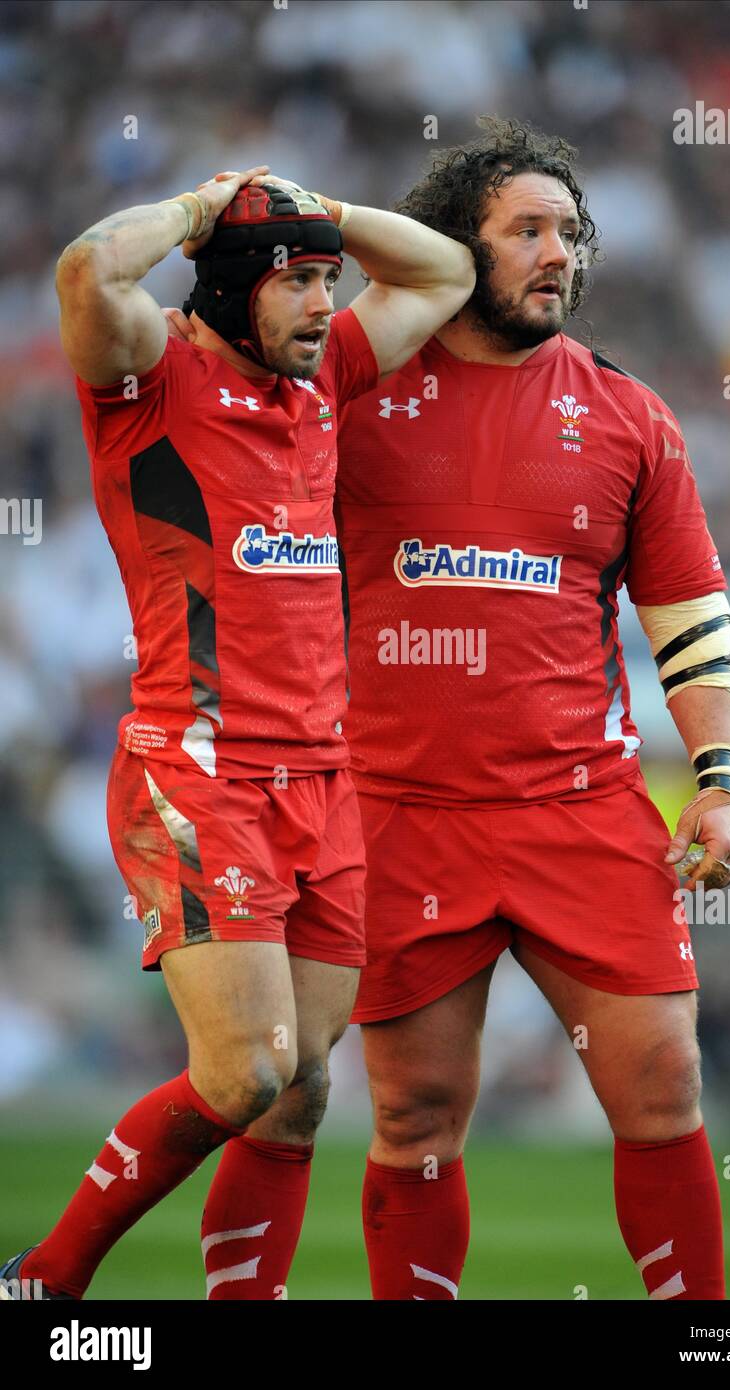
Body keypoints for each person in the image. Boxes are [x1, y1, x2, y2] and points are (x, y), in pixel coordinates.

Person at [0, 166, 474, 1302]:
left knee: (304, 1087)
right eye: (299, 281)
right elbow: (84, 269)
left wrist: (316, 211)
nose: (326, 303)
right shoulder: (148, 375)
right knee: (247, 1072)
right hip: (201, 769)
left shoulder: (324, 379)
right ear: (230, 286)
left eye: (329, 280)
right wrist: (205, 208)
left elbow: (447, 270)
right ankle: (42, 1281)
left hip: (324, 780)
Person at [334, 118, 730, 1301]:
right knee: (414, 1115)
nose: (558, 252)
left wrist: (717, 783)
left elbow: (691, 623)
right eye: (527, 230)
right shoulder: (352, 396)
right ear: (455, 247)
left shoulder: (630, 416)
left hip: (581, 808)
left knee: (664, 1085)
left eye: (570, 232)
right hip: (399, 813)